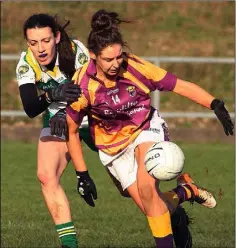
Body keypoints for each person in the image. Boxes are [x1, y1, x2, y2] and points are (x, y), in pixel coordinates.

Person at [65, 9, 233, 248]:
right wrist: (82, 175)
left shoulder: (135, 67)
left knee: (147, 190)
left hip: (145, 128)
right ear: (93, 56)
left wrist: (213, 103)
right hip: (112, 146)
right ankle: (186, 191)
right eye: (108, 59)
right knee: (151, 206)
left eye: (119, 56)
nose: (115, 64)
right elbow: (71, 131)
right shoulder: (82, 85)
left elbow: (178, 85)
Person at [16, 13, 95, 248]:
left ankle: (175, 210)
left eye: (46, 40)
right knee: (46, 175)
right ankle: (69, 245)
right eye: (33, 43)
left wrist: (65, 110)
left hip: (94, 118)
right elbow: (31, 108)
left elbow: (92, 93)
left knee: (127, 188)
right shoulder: (27, 63)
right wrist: (52, 96)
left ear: (57, 37)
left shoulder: (75, 50)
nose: (40, 48)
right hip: (58, 121)